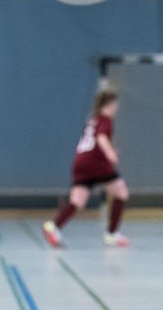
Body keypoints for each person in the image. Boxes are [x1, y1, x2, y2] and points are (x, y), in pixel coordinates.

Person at [43, 90, 130, 247]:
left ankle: (54, 227)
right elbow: (101, 137)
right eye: (115, 104)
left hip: (80, 163)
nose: (117, 107)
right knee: (121, 192)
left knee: (77, 200)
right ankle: (112, 234)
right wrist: (110, 153)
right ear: (109, 104)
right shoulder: (105, 119)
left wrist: (108, 151)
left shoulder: (93, 119)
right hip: (96, 164)